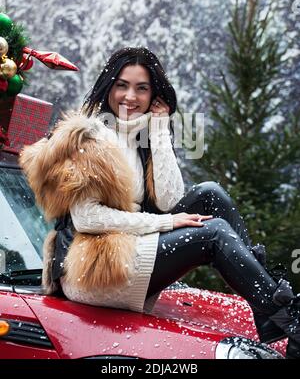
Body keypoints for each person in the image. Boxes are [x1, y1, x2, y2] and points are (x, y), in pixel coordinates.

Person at [20, 47, 299, 359]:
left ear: (154, 94)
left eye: (142, 88)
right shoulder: (89, 137)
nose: (130, 97)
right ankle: (286, 318)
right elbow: (87, 219)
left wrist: (159, 129)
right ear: (109, 86)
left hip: (128, 247)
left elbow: (169, 199)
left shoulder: (141, 134)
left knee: (210, 193)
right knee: (214, 234)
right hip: (93, 266)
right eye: (122, 85)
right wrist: (166, 223)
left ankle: (271, 310)